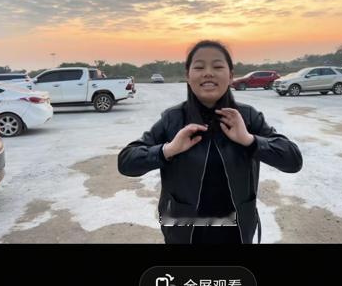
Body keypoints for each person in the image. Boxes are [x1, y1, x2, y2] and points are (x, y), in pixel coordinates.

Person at [118, 40, 303, 244]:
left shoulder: (248, 117)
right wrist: (168, 150)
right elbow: (127, 162)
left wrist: (249, 140)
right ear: (188, 76)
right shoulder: (172, 119)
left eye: (217, 66)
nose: (208, 73)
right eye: (199, 67)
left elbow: (293, 160)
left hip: (237, 232)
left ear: (231, 76)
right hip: (183, 232)